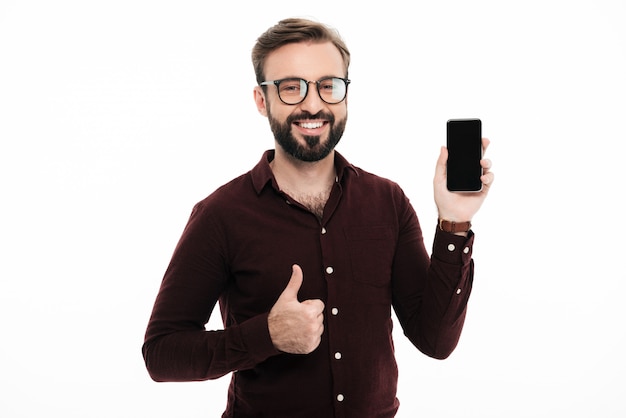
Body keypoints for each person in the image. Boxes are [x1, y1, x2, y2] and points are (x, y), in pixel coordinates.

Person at [142, 17, 494, 418]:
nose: (313, 104)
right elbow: (161, 353)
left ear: (345, 95)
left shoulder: (387, 201)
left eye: (328, 85)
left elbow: (436, 341)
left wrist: (454, 223)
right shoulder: (220, 215)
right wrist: (266, 335)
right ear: (262, 100)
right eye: (291, 88)